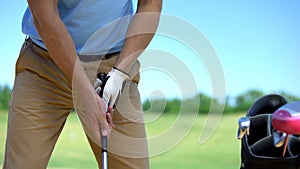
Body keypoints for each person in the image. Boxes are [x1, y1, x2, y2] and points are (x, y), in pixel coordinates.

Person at [2, 0, 162, 168]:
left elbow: (150, 4)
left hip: (113, 64)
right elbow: (44, 16)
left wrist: (120, 73)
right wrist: (84, 93)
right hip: (45, 63)